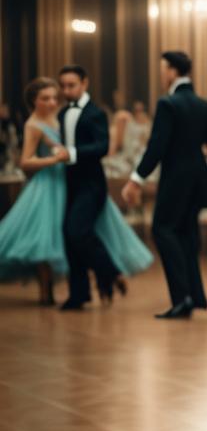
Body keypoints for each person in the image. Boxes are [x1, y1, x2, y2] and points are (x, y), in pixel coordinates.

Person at [0, 78, 152, 306]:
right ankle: (47, 293)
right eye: (45, 98)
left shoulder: (60, 117)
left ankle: (97, 280)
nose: (52, 102)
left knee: (76, 233)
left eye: (53, 97)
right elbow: (25, 162)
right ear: (34, 101)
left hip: (70, 182)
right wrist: (54, 159)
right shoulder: (33, 124)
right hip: (47, 186)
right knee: (43, 237)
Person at [122, 51, 207, 320]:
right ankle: (194, 296)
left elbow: (157, 147)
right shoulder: (204, 104)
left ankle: (183, 298)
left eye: (163, 69)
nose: (161, 74)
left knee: (163, 229)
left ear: (172, 71)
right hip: (198, 179)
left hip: (176, 178)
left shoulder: (168, 104)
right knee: (187, 236)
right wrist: (192, 153)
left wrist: (136, 178)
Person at [57, 65, 121, 310]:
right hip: (69, 183)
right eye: (63, 85)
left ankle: (109, 271)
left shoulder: (96, 113)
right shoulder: (63, 114)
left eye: (71, 85)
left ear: (85, 83)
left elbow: (103, 147)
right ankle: (79, 294)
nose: (66, 90)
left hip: (92, 184)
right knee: (68, 235)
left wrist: (71, 152)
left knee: (77, 231)